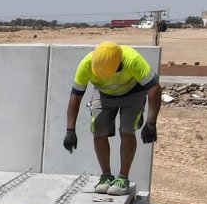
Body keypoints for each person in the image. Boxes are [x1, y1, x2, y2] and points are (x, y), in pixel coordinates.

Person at [63, 41, 161, 196]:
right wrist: (70, 130)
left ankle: (123, 179)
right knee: (99, 129)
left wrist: (151, 123)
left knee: (127, 130)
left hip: (133, 93)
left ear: (119, 64)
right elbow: (75, 97)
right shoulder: (86, 64)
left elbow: (154, 88)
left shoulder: (132, 59)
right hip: (104, 94)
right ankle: (106, 176)